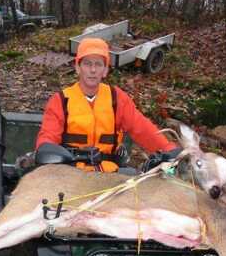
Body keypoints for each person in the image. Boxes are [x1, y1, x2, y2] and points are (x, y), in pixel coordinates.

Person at [35, 37, 179, 172]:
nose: (93, 70)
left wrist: (169, 150)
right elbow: (47, 137)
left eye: (98, 64)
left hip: (109, 175)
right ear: (78, 67)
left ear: (105, 71)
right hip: (71, 173)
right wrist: (45, 149)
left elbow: (142, 128)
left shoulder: (117, 98)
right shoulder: (60, 100)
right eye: (87, 63)